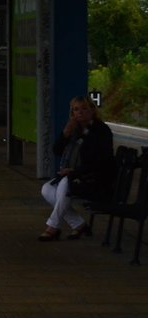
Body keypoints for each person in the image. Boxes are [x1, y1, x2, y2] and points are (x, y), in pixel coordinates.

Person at [38, 95, 117, 241]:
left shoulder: (101, 131)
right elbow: (57, 151)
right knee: (47, 189)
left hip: (96, 178)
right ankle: (79, 225)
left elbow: (101, 161)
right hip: (76, 175)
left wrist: (74, 172)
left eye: (84, 108)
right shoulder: (74, 130)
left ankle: (53, 227)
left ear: (92, 110)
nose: (80, 112)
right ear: (72, 113)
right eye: (76, 109)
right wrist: (65, 134)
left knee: (65, 184)